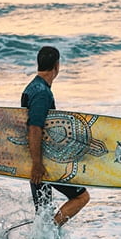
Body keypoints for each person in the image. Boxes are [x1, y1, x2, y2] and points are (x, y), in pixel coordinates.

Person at [21, 46, 90, 226]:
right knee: (81, 197)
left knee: (43, 211)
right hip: (43, 163)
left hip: (36, 159)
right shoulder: (42, 93)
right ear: (57, 66)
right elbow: (34, 127)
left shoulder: (32, 87)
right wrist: (37, 164)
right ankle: (48, 232)